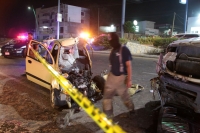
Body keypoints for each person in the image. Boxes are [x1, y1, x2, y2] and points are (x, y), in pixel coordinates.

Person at [103, 32, 135, 118]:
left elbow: (128, 66)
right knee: (107, 97)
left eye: (111, 40)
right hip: (112, 77)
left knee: (125, 96)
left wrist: (129, 80)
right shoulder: (113, 50)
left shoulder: (124, 50)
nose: (110, 43)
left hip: (120, 78)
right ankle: (109, 116)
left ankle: (131, 109)